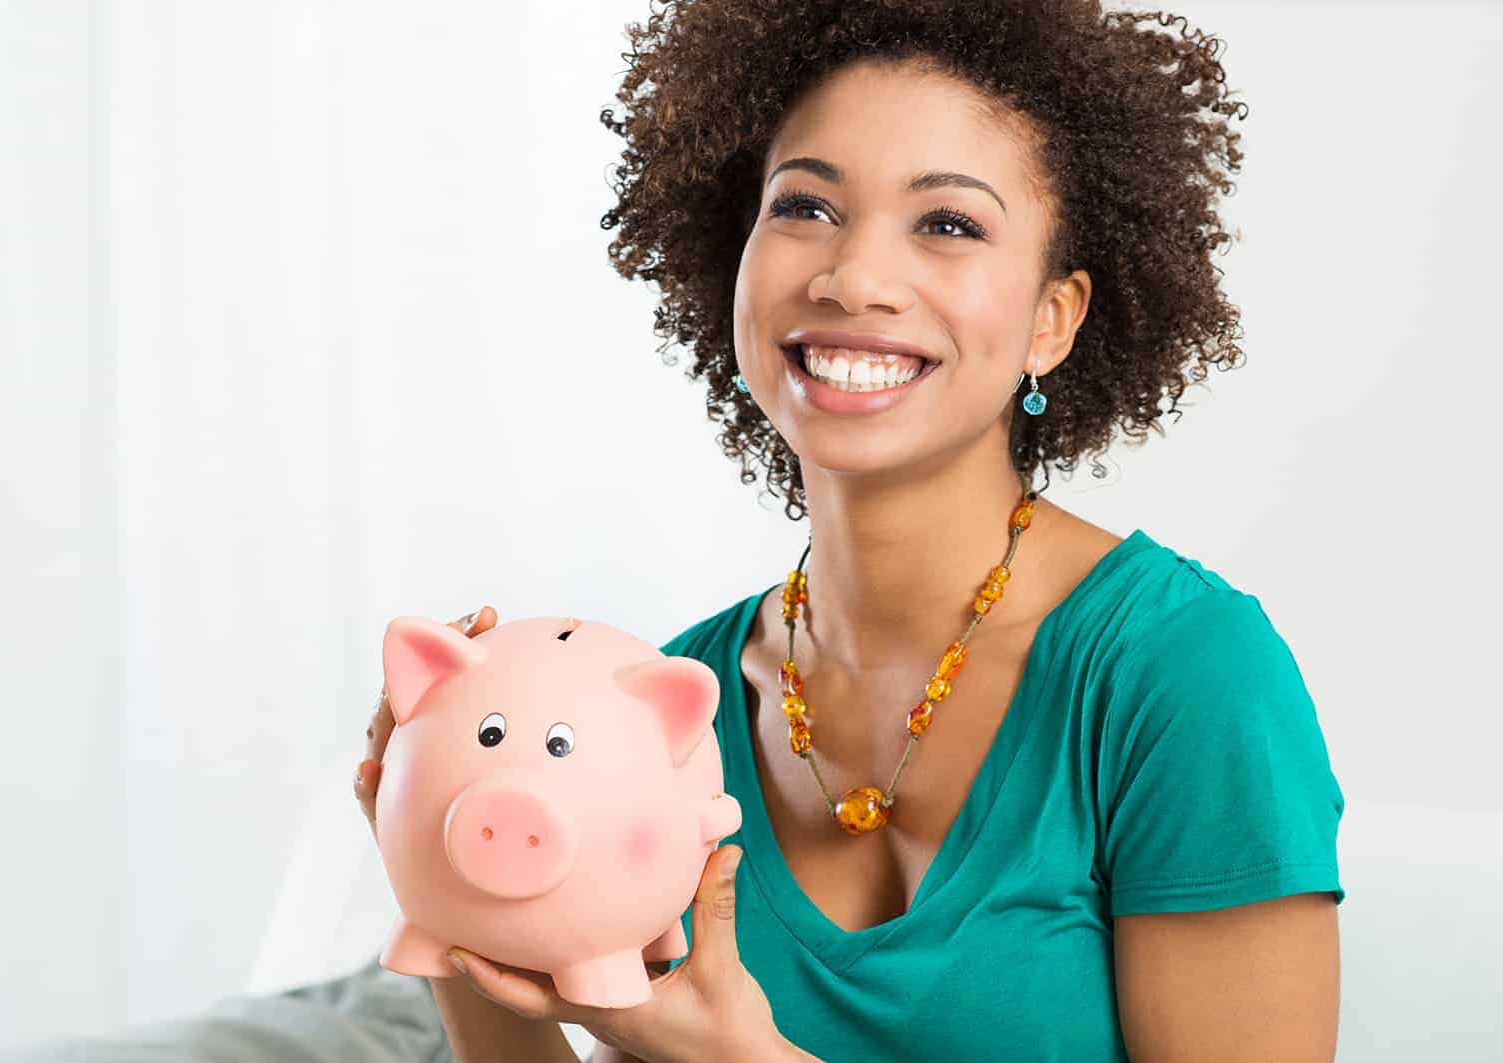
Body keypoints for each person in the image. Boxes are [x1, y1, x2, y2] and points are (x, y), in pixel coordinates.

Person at [350, 2, 1346, 1061]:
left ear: (1052, 318)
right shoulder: (668, 703)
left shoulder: (1179, 675)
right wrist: (448, 885)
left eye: (948, 223)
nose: (853, 277)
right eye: (806, 207)